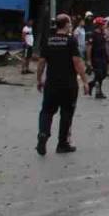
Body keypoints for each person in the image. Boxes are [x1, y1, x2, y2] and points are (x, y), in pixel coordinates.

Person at [35, 13, 89, 155]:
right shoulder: (71, 41)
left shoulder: (48, 40)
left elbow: (41, 62)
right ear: (66, 25)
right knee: (66, 113)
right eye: (70, 23)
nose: (71, 25)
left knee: (47, 111)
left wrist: (39, 79)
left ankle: (43, 134)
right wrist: (85, 81)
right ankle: (62, 144)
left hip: (51, 83)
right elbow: (77, 62)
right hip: (68, 84)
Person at [87, 18, 109, 99]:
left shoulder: (103, 34)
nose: (105, 26)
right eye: (103, 24)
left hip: (103, 57)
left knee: (104, 74)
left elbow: (105, 45)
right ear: (99, 25)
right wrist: (89, 60)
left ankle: (91, 84)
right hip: (96, 57)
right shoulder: (93, 35)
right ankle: (98, 92)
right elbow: (89, 48)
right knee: (99, 74)